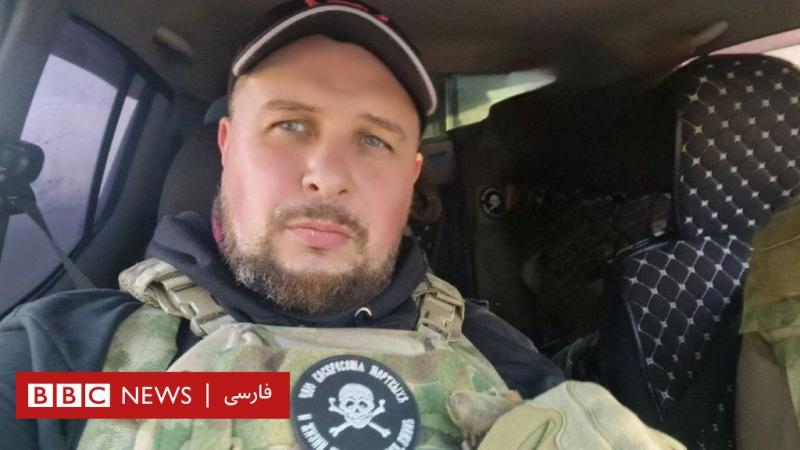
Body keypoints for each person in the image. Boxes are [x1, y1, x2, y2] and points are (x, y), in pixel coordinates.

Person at [0, 1, 683, 449]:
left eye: (373, 140)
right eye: (290, 125)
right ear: (227, 147)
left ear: (411, 177)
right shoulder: (64, 358)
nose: (327, 174)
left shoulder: (496, 355)